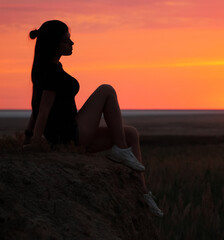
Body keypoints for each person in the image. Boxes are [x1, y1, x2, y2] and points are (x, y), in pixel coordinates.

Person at [23, 20, 163, 217]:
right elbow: (42, 111)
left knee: (131, 133)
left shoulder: (47, 69)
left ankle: (144, 194)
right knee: (106, 90)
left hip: (71, 135)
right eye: (66, 41)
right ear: (54, 44)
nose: (71, 44)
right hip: (70, 135)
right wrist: (35, 142)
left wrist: (27, 136)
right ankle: (121, 151)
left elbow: (34, 108)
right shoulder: (51, 73)